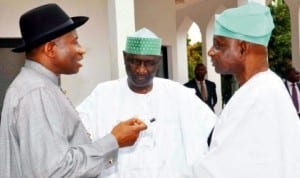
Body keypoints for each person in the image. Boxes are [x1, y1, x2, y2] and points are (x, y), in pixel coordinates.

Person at [0, 4, 147, 178]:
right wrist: (114, 141)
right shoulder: (37, 92)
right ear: (50, 49)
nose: (81, 49)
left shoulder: (39, 87)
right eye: (74, 41)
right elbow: (55, 171)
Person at [77, 27, 216, 178]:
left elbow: (213, 129)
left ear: (159, 61)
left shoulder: (178, 94)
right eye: (134, 61)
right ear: (124, 58)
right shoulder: (103, 94)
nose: (141, 70)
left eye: (149, 63)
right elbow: (77, 135)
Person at [193, 3, 300, 178]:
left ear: (242, 48)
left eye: (219, 45)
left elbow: (219, 170)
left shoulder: (256, 97)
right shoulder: (266, 87)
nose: (211, 52)